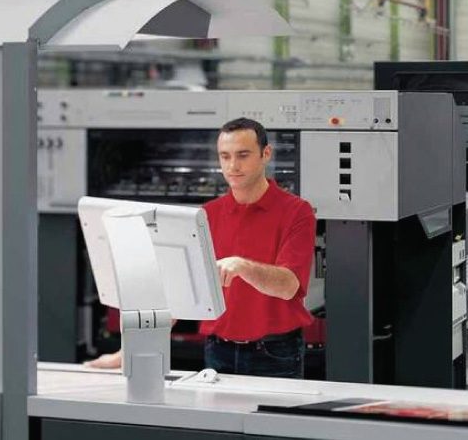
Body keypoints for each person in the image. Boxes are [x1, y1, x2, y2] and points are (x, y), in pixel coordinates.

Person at [86, 118, 316, 378]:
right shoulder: (206, 215)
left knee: (273, 421)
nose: (233, 166)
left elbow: (288, 287)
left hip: (276, 353)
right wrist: (128, 351)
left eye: (243, 155)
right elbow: (178, 293)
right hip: (217, 351)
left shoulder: (297, 212)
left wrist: (242, 266)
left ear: (266, 154)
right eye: (225, 156)